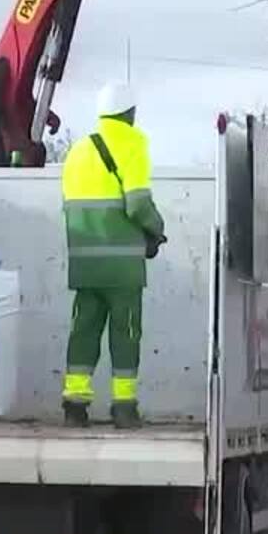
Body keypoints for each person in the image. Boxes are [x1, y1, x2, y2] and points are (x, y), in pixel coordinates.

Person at [59, 82, 166, 430]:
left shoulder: (78, 151)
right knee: (125, 333)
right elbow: (137, 204)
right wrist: (157, 229)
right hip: (122, 267)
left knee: (83, 331)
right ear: (130, 112)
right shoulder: (132, 143)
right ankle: (124, 407)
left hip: (84, 263)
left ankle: (75, 405)